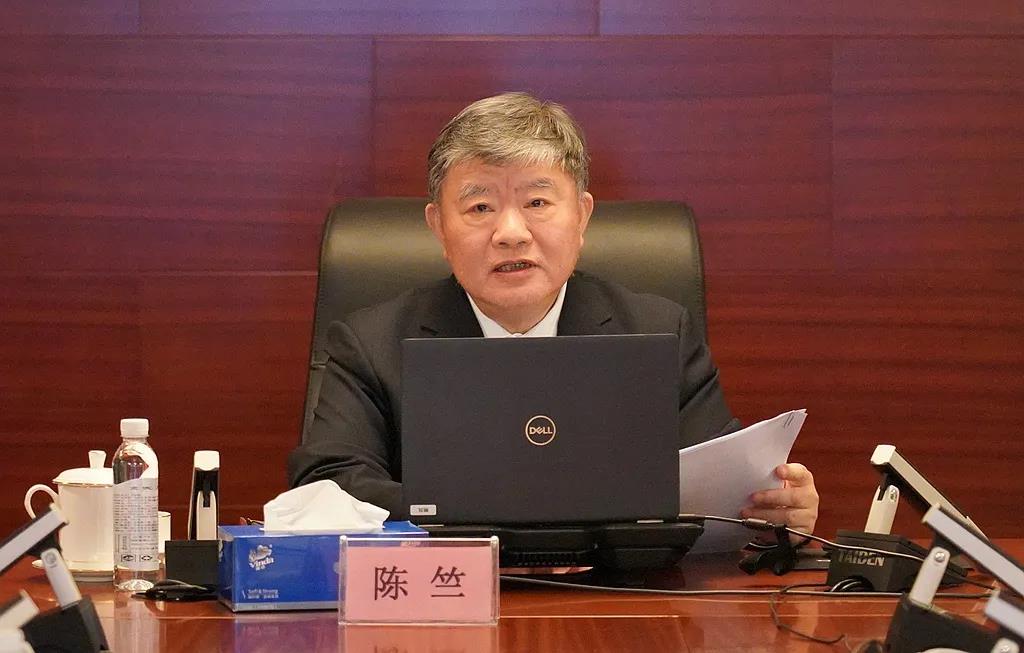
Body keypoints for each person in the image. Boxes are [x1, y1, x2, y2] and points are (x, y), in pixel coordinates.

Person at [287, 92, 819, 536]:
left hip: (621, 599)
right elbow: (329, 485)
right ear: (438, 228)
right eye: (480, 207)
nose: (511, 232)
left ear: (582, 217)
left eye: (537, 203)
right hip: (445, 599)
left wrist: (773, 510)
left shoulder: (659, 331)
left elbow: (719, 486)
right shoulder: (371, 343)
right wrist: (502, 511)